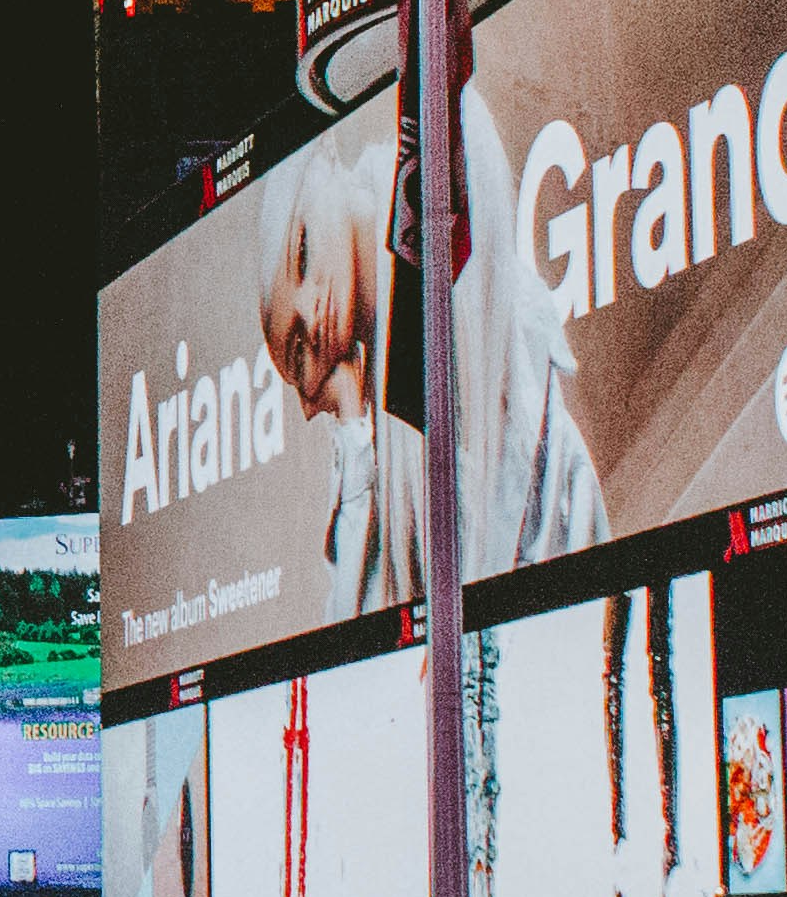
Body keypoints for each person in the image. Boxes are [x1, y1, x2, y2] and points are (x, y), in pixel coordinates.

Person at [246, 82, 604, 616]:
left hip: (563, 595)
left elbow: (479, 540)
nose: (311, 308)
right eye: (297, 350)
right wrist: (351, 432)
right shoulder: (375, 419)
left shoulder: (438, 186)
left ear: (325, 160)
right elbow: (355, 638)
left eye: (302, 252)